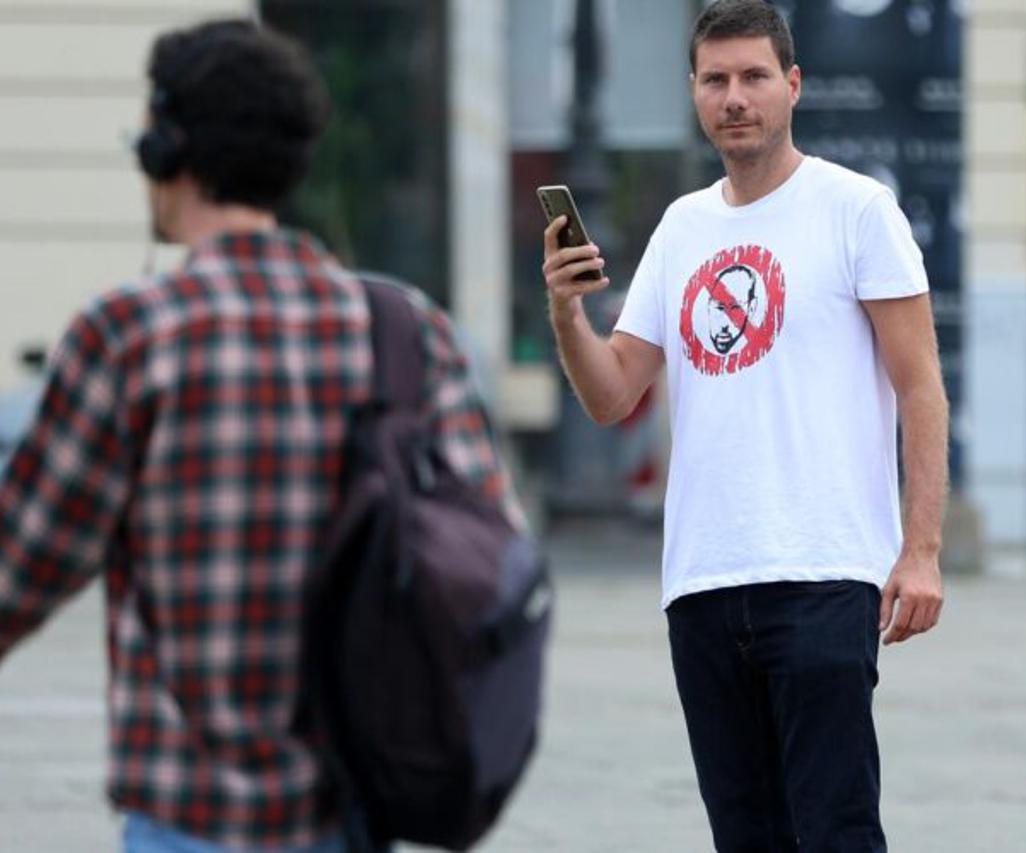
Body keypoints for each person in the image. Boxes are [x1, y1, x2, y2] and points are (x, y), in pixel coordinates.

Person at [0, 18, 522, 852]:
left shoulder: (130, 334)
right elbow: (492, 555)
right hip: (354, 807)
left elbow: (20, 568)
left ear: (166, 150)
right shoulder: (405, 329)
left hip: (189, 813)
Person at [541, 1, 948, 849]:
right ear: (694, 91)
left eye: (754, 76)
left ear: (792, 85)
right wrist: (567, 312)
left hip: (825, 571)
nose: (735, 97)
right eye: (716, 79)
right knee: (743, 835)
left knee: (834, 829)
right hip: (703, 581)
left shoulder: (856, 210)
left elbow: (920, 389)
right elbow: (612, 394)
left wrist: (922, 550)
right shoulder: (682, 227)